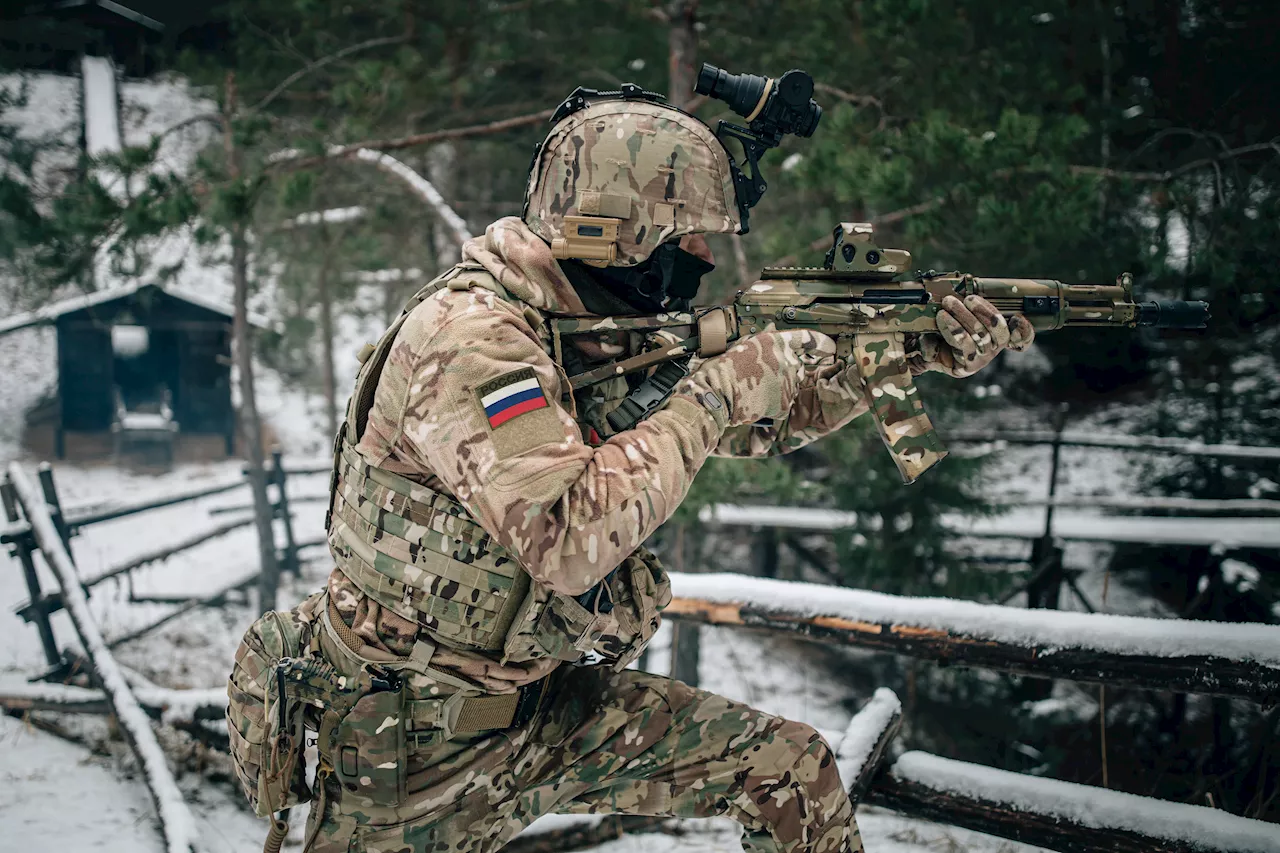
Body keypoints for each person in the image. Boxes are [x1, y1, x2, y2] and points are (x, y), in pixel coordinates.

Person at [226, 85, 1033, 853]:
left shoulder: (587, 324)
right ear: (617, 230)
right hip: (409, 752)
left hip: (546, 711)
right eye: (688, 238)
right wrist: (714, 392)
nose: (707, 258)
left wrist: (914, 351)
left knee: (787, 768)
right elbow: (569, 536)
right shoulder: (474, 339)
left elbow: (761, 418)